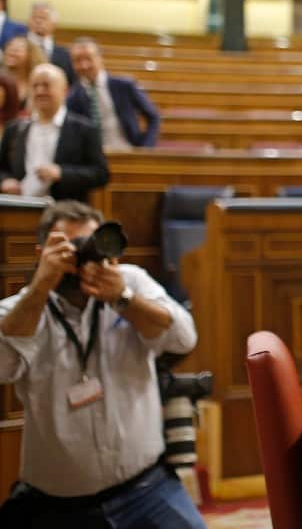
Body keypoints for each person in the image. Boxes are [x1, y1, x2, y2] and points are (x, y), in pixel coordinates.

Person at [0, 201, 204, 528]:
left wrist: (123, 298)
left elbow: (183, 338)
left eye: (90, 245)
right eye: (69, 247)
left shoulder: (129, 283)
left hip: (147, 490)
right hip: (57, 507)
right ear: (42, 253)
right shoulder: (22, 310)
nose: (83, 258)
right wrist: (41, 286)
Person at [0, 63, 110, 202]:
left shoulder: (85, 129)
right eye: (35, 86)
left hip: (66, 212)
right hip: (20, 210)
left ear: (64, 90)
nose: (40, 91)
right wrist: (5, 181)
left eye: (46, 85)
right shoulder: (14, 128)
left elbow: (101, 174)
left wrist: (61, 173)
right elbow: (2, 169)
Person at [67, 37, 161, 149]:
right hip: (95, 161)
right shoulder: (73, 97)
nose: (84, 65)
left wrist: (145, 148)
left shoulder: (125, 86)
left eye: (88, 59)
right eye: (77, 60)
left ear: (100, 58)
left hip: (129, 151)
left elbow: (153, 116)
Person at [27, 1, 76, 87]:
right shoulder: (18, 48)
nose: (38, 21)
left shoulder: (65, 55)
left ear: (54, 24)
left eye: (43, 18)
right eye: (35, 17)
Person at [2, 35, 47, 113]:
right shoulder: (1, 81)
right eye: (9, 48)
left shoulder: (37, 84)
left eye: (17, 50)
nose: (11, 52)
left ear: (30, 56)